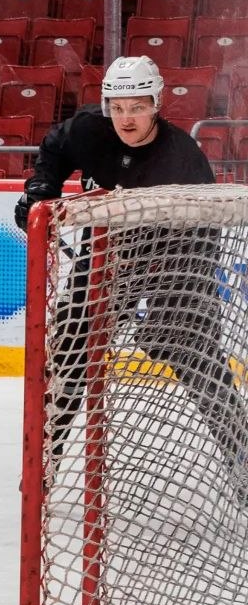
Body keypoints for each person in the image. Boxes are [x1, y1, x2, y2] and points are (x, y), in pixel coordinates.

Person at [13, 55, 243, 478]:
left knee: (193, 352)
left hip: (174, 257)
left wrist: (170, 312)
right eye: (117, 108)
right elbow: (54, 148)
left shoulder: (182, 156)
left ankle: (241, 457)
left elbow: (204, 233)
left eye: (137, 106)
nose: (126, 118)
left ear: (156, 103)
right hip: (105, 251)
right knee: (71, 345)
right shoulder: (88, 129)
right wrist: (40, 190)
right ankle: (46, 461)